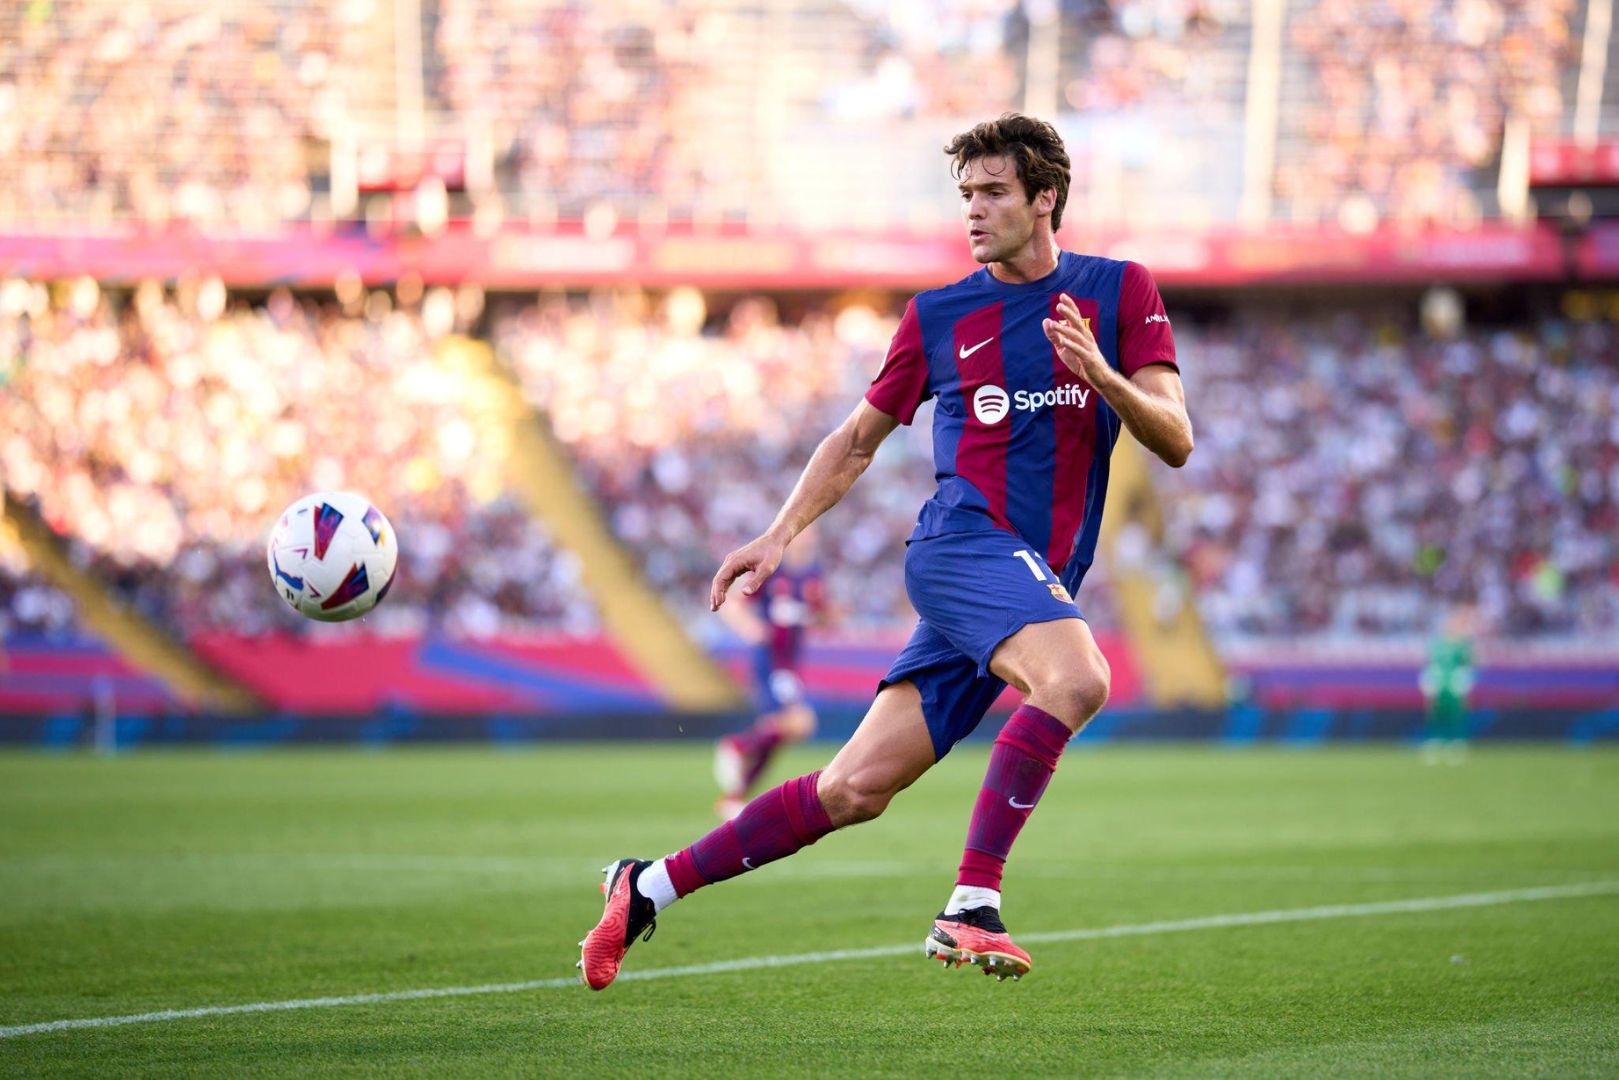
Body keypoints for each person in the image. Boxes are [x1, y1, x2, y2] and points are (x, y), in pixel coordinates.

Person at [579, 113, 1193, 990]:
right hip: (961, 547)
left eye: (992, 193)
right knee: (1078, 678)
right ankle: (971, 903)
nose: (973, 212)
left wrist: (1103, 377)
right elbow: (858, 438)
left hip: (1027, 582)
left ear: (1044, 197)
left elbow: (1174, 437)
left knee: (850, 791)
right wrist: (776, 534)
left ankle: (646, 886)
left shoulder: (1119, 291)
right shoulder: (938, 315)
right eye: (965, 195)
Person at [713, 525, 826, 819]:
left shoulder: (813, 573)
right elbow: (733, 604)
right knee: (800, 723)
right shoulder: (773, 568)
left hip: (789, 661)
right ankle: (737, 746)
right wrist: (750, 628)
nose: (811, 535)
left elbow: (822, 616)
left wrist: (823, 614)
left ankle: (734, 796)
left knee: (778, 731)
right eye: (806, 530)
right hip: (772, 660)